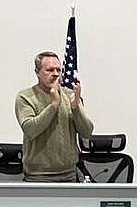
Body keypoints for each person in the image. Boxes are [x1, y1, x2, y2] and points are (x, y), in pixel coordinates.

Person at [15, 51, 94, 182]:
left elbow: (87, 132)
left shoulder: (70, 95)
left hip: (69, 175)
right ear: (37, 72)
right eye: (50, 70)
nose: (56, 74)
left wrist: (76, 108)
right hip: (38, 177)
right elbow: (30, 130)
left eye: (58, 70)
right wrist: (54, 105)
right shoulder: (26, 97)